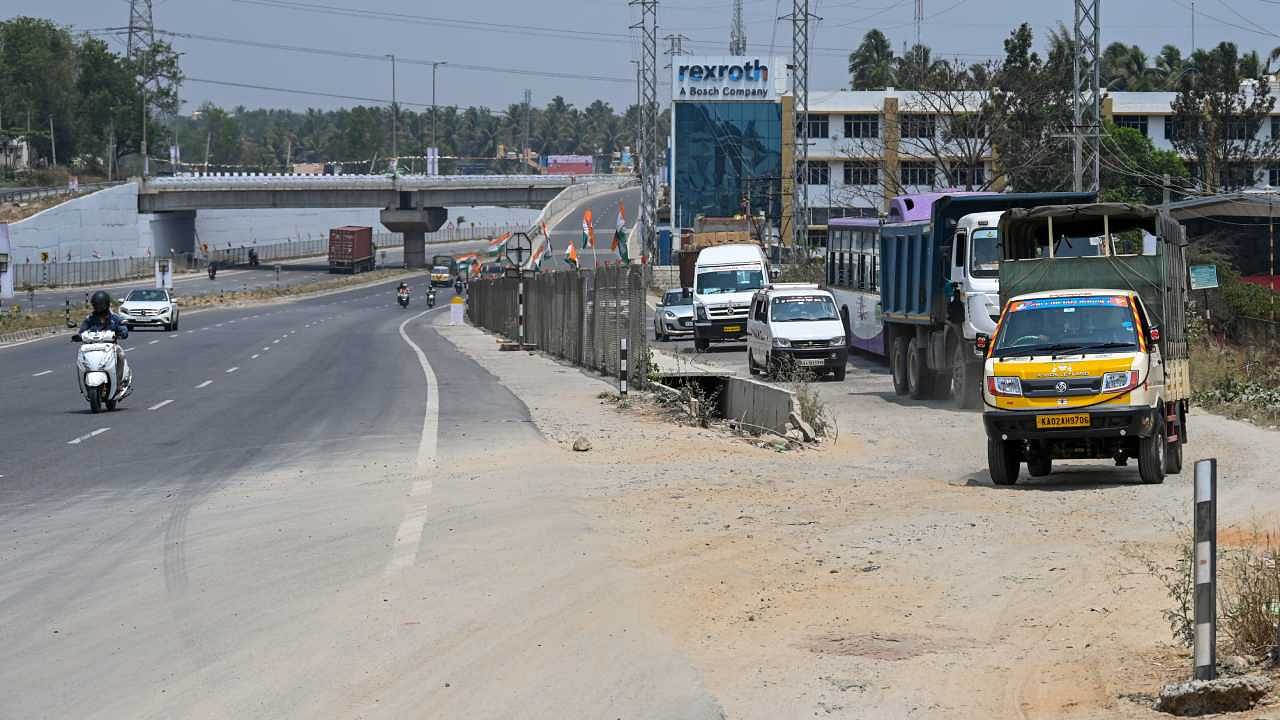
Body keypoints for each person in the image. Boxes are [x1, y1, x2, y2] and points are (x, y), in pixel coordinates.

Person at [79, 290, 132, 388]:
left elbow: (123, 328)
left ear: (106, 305)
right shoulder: (89, 319)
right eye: (96, 305)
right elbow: (82, 331)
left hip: (110, 347)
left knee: (120, 355)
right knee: (81, 357)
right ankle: (84, 382)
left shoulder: (114, 317)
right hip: (92, 347)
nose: (98, 308)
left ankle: (119, 381)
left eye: (101, 305)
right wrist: (78, 336)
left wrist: (121, 331)